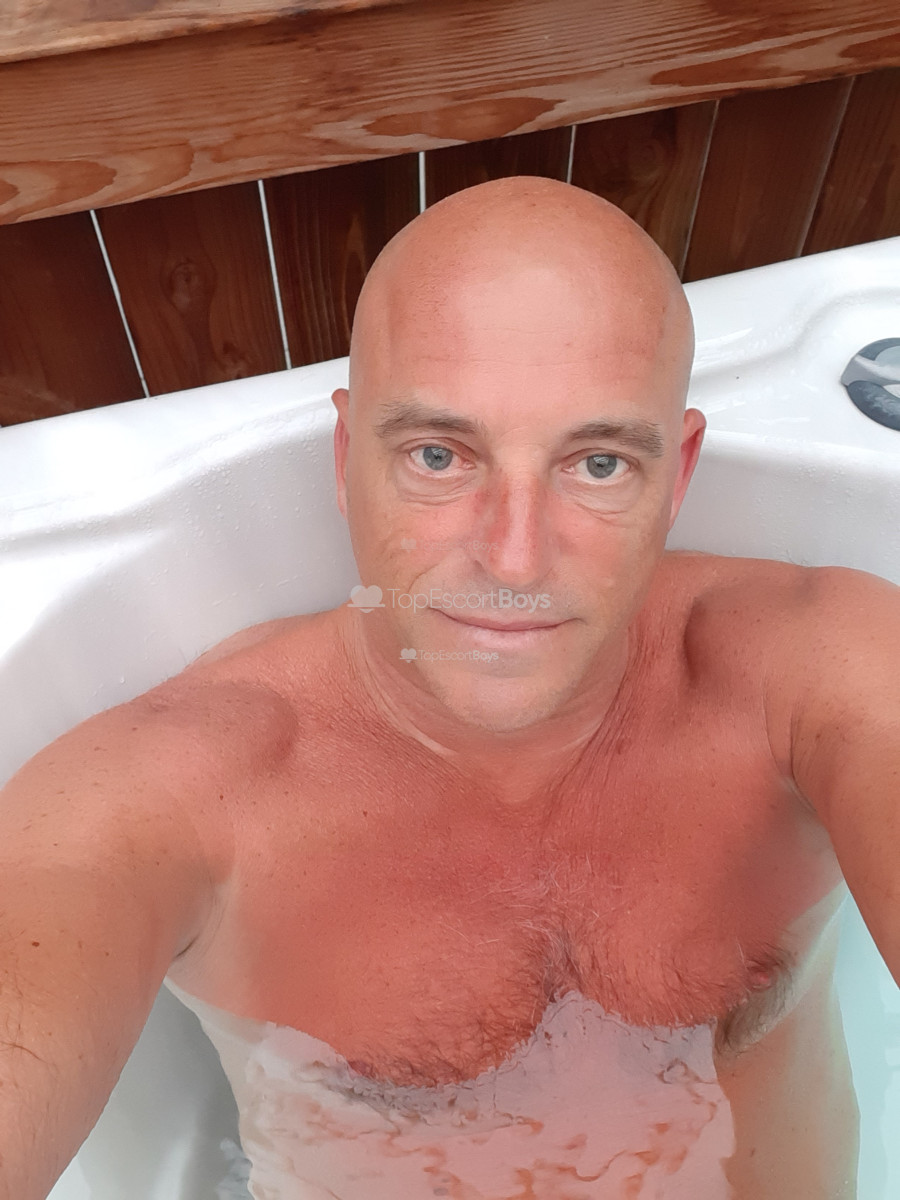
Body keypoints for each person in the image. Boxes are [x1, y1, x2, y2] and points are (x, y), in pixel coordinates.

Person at [1, 174, 896, 1200]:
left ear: (679, 474)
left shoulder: (812, 673)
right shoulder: (173, 795)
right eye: (439, 455)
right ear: (347, 458)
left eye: (598, 465)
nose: (515, 558)